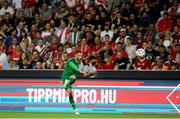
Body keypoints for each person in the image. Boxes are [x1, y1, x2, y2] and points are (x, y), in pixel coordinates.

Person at [61, 51, 87, 115]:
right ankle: (75, 109)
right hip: (65, 77)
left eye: (81, 56)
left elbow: (76, 70)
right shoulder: (71, 59)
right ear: (75, 55)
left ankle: (67, 83)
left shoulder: (78, 63)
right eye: (79, 55)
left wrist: (83, 73)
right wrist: (80, 71)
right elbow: (72, 66)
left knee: (73, 77)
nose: (80, 57)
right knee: (70, 94)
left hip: (71, 78)